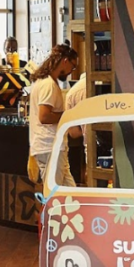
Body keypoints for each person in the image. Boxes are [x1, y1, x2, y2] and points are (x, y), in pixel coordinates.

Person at [28, 44, 78, 187]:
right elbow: (44, 116)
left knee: (69, 193)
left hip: (51, 146)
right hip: (50, 146)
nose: (71, 71)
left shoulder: (43, 82)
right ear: (65, 61)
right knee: (55, 193)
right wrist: (68, 115)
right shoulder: (48, 85)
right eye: (73, 66)